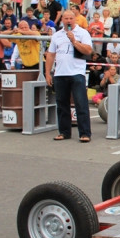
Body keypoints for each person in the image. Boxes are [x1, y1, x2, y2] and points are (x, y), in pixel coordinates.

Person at [45, 10, 93, 143]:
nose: (68, 21)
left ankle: (85, 133)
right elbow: (50, 54)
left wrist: (74, 41)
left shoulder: (83, 33)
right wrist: (48, 73)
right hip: (60, 73)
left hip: (77, 73)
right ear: (62, 20)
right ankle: (64, 132)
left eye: (71, 18)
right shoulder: (57, 35)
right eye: (65, 18)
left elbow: (88, 50)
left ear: (75, 19)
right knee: (61, 104)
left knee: (81, 104)